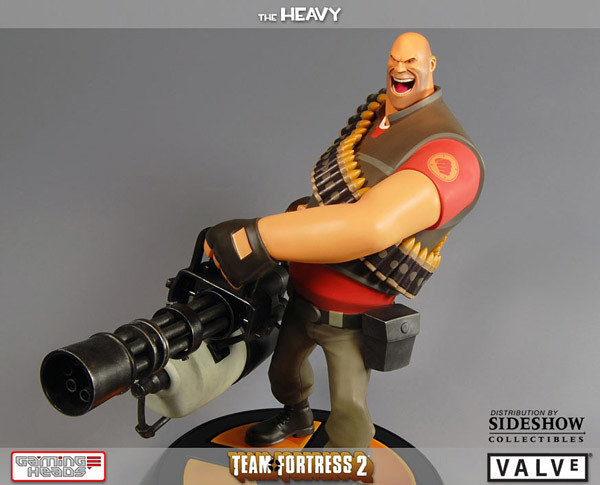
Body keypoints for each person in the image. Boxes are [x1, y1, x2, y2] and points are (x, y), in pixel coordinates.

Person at [204, 32, 484, 448]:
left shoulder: (449, 153)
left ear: (431, 65)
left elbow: (370, 226)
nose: (399, 68)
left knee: (349, 406)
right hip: (302, 294)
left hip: (351, 314)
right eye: (394, 59)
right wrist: (303, 215)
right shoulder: (378, 115)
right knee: (283, 374)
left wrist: (255, 238)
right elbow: (336, 201)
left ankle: (346, 460)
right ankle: (297, 416)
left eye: (411, 61)